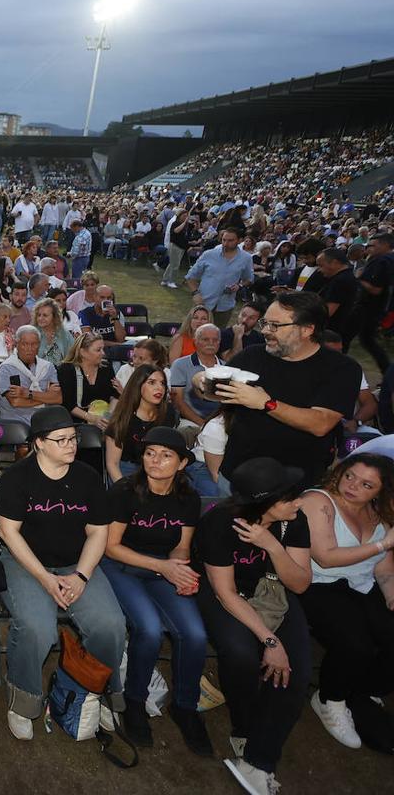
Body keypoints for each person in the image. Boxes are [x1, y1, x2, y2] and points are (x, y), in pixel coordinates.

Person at [0, 406, 125, 739]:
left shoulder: (87, 477)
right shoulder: (16, 478)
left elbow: (98, 532)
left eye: (74, 438)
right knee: (38, 628)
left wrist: (81, 576)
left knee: (110, 625)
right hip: (25, 562)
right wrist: (44, 578)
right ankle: (24, 700)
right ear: (39, 443)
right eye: (62, 439)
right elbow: (10, 533)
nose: (72, 445)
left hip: (75, 562)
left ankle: (95, 692)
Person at [193, 457, 312, 795]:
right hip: (227, 594)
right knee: (240, 651)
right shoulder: (221, 522)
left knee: (297, 672)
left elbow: (301, 584)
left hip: (275, 592)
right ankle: (244, 727)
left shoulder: (293, 521)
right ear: (264, 502)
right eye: (290, 498)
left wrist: (271, 545)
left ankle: (258, 762)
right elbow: (226, 593)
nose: (299, 503)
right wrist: (270, 641)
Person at [101, 427, 212, 755]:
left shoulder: (187, 497)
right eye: (150, 453)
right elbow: (111, 547)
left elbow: (181, 547)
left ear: (181, 464)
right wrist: (164, 568)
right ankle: (134, 702)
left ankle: (185, 706)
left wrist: (181, 572)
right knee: (148, 629)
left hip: (161, 567)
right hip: (122, 566)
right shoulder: (125, 491)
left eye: (166, 455)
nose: (155, 460)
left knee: (194, 634)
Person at [193, 292, 360, 487]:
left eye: (275, 325)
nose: (264, 331)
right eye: (265, 323)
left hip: (294, 486)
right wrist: (201, 381)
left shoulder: (341, 369)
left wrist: (266, 403)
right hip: (238, 477)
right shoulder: (252, 355)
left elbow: (321, 423)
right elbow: (204, 390)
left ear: (307, 330)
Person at [298, 454, 394, 752]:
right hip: (318, 585)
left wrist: (391, 595)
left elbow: (383, 568)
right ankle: (329, 698)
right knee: (356, 645)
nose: (353, 486)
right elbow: (325, 557)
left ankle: (364, 691)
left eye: (366, 484)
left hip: (361, 584)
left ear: (380, 491)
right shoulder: (318, 502)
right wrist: (383, 543)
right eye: (350, 475)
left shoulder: (377, 512)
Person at [185, 227, 254, 329]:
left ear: (239, 241)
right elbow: (190, 277)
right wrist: (195, 293)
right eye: (224, 240)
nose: (226, 243)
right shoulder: (209, 254)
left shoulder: (246, 258)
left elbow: (249, 279)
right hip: (204, 303)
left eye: (230, 240)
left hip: (225, 306)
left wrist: (239, 285)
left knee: (215, 336)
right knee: (192, 333)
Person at [0, 326, 61, 426]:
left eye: (34, 344)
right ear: (16, 344)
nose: (29, 349)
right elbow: (15, 402)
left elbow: (57, 399)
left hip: (44, 421)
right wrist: (46, 398)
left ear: (39, 345)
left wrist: (27, 393)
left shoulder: (48, 367)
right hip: (15, 424)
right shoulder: (7, 368)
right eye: (25, 344)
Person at [355, 232, 393, 372]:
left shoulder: (382, 261)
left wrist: (359, 278)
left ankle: (387, 372)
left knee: (366, 339)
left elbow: (376, 289)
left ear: (385, 245)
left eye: (372, 245)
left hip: (372, 307)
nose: (368, 248)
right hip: (383, 308)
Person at [32, 298, 73, 367]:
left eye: (45, 315)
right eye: (39, 315)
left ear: (54, 317)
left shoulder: (64, 334)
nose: (40, 318)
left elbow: (72, 357)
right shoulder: (32, 333)